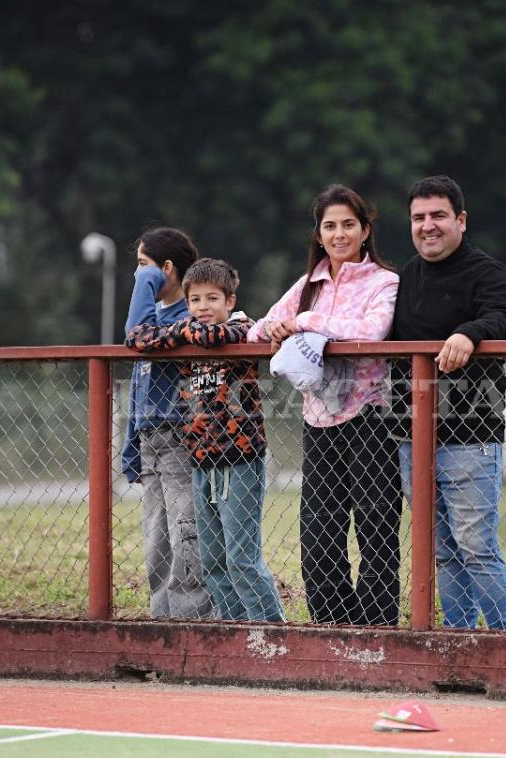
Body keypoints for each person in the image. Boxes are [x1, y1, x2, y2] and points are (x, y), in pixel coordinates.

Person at [249, 185, 402, 626]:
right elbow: (261, 329)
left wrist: (304, 322)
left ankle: (376, 632)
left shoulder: (384, 282)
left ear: (365, 229)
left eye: (348, 225)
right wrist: (275, 328)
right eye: (329, 226)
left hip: (370, 417)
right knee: (319, 532)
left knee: (376, 528)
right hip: (318, 420)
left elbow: (372, 331)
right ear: (318, 234)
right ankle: (334, 627)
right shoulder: (307, 286)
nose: (339, 234)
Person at [389, 175, 506, 631]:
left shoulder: (487, 272)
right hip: (410, 434)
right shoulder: (405, 276)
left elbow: (503, 317)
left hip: (470, 437)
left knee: (476, 546)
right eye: (418, 217)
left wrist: (469, 333)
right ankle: (458, 640)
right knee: (442, 550)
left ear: (461, 220)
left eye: (438, 215)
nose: (428, 225)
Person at [126, 258, 285, 622]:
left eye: (212, 299)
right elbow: (137, 337)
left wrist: (182, 331)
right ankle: (235, 629)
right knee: (212, 561)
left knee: (240, 556)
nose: (202, 308)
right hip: (200, 459)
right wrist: (181, 331)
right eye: (194, 300)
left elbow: (215, 336)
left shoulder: (242, 328)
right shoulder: (189, 329)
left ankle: (271, 632)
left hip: (240, 458)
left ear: (229, 301)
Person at [121, 227, 214, 619]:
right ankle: (163, 617)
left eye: (143, 268)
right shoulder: (156, 317)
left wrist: (146, 280)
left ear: (167, 269)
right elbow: (138, 387)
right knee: (155, 539)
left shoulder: (186, 317)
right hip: (150, 439)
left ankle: (194, 619)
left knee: (185, 532)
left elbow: (135, 336)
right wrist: (130, 444)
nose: (139, 277)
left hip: (178, 437)